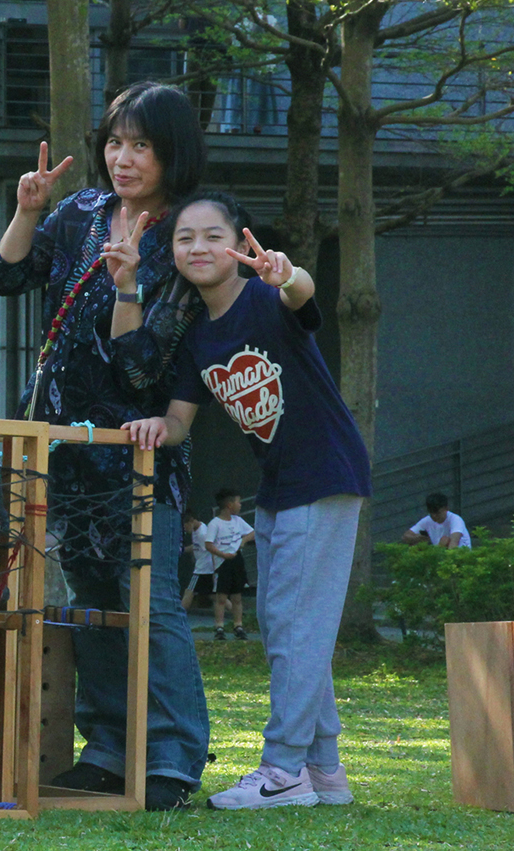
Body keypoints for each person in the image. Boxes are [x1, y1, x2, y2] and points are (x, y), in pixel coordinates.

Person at [0, 81, 210, 811]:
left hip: (142, 445)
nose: (123, 158)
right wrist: (27, 212)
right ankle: (109, 748)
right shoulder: (80, 210)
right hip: (65, 441)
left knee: (151, 606)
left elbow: (145, 365)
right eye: (115, 142)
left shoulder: (188, 231)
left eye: (141, 145)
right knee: (87, 599)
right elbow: (6, 277)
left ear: (172, 151)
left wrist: (126, 286)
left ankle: (175, 757)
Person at [125, 191, 370, 810]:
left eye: (213, 236)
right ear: (173, 252)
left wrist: (289, 274)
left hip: (325, 471)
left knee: (295, 626)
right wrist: (158, 428)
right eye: (186, 239)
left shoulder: (266, 298)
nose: (199, 248)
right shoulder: (199, 338)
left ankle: (282, 768)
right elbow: (180, 419)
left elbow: (303, 295)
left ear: (239, 242)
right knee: (286, 625)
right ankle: (324, 770)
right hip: (279, 484)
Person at [203, 488, 254, 641]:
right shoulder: (215, 524)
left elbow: (252, 532)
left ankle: (238, 626)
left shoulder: (238, 521)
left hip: (237, 561)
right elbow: (208, 545)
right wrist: (223, 554)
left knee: (237, 596)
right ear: (229, 505)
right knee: (221, 598)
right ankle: (219, 627)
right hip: (222, 563)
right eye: (238, 502)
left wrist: (243, 542)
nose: (240, 505)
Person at [404, 492, 472, 548]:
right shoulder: (427, 520)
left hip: (459, 557)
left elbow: (454, 543)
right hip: (440, 554)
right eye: (431, 513)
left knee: (445, 540)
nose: (434, 516)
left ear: (446, 508)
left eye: (437, 513)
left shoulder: (455, 520)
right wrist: (419, 538)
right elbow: (406, 536)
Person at [178, 510, 204, 608]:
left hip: (202, 568)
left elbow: (210, 550)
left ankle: (179, 615)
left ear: (191, 521)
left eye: (185, 526)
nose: (185, 529)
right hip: (202, 567)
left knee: (189, 591)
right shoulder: (196, 531)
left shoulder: (203, 533)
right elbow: (196, 546)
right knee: (214, 596)